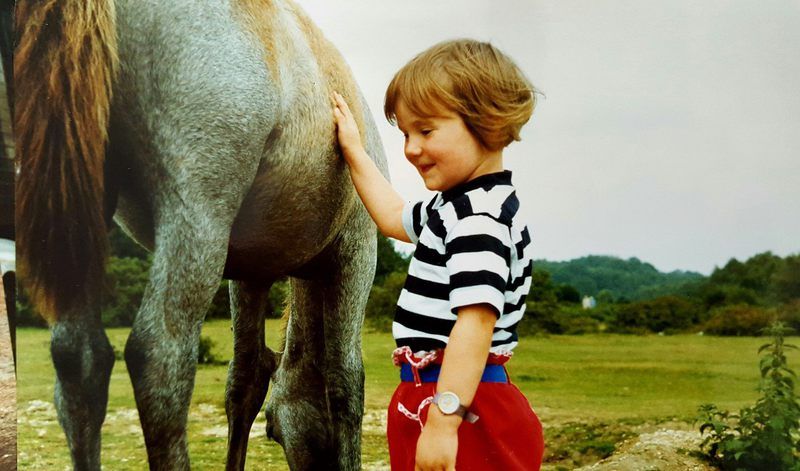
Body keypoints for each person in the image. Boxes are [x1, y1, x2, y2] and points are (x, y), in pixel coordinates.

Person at [333, 38, 544, 471]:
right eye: (406, 134)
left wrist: (445, 420)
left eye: (426, 131)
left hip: (465, 407)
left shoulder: (478, 219)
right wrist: (354, 150)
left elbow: (475, 322)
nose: (411, 149)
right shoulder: (453, 206)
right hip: (436, 397)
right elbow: (393, 215)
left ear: (487, 123)